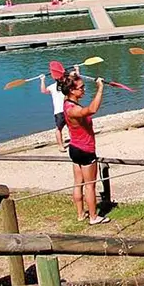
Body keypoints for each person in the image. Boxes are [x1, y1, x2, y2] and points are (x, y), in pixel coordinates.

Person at [60, 72, 110, 225]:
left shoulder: (67, 101)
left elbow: (64, 81)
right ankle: (94, 217)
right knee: (89, 185)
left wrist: (72, 75)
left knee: (78, 183)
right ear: (72, 91)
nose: (84, 90)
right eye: (81, 88)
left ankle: (81, 214)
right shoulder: (73, 110)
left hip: (74, 148)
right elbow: (92, 109)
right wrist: (100, 89)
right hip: (85, 150)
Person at [40, 66, 80, 152]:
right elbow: (43, 91)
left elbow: (77, 82)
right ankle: (61, 146)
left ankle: (73, 143)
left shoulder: (66, 85)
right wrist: (42, 80)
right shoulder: (54, 87)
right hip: (60, 111)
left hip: (67, 109)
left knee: (70, 127)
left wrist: (76, 70)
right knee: (60, 128)